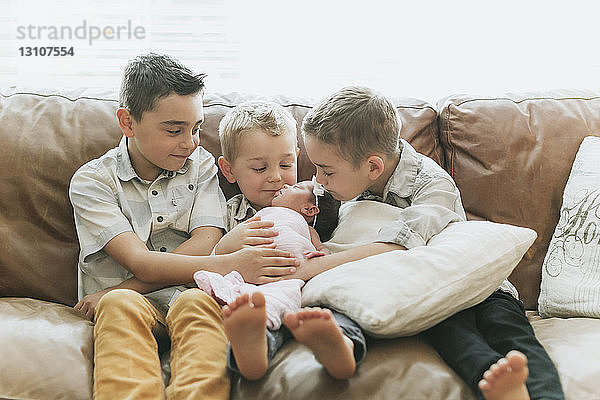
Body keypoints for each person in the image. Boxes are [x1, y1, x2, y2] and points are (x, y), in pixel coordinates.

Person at [299, 85, 565, 400]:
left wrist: (304, 271)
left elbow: (396, 246)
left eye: (325, 171)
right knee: (457, 340)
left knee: (513, 335)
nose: (317, 179)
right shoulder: (344, 183)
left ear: (373, 167)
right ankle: (503, 390)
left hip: (484, 285)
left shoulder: (430, 183)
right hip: (432, 293)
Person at [68, 53, 297, 400]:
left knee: (197, 304)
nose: (190, 142)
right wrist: (229, 264)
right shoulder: (93, 182)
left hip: (190, 293)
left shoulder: (200, 165)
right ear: (128, 123)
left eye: (195, 128)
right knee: (118, 304)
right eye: (175, 130)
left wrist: (209, 266)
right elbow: (139, 261)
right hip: (127, 303)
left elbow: (207, 240)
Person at [213, 101, 368, 380]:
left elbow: (330, 244)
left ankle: (341, 346)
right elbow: (214, 259)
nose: (275, 177)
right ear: (229, 171)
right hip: (259, 292)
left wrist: (319, 253)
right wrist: (229, 243)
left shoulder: (311, 201)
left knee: (338, 310)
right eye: (260, 168)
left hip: (308, 288)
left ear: (297, 157)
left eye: (286, 164)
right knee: (257, 316)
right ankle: (253, 353)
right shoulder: (229, 213)